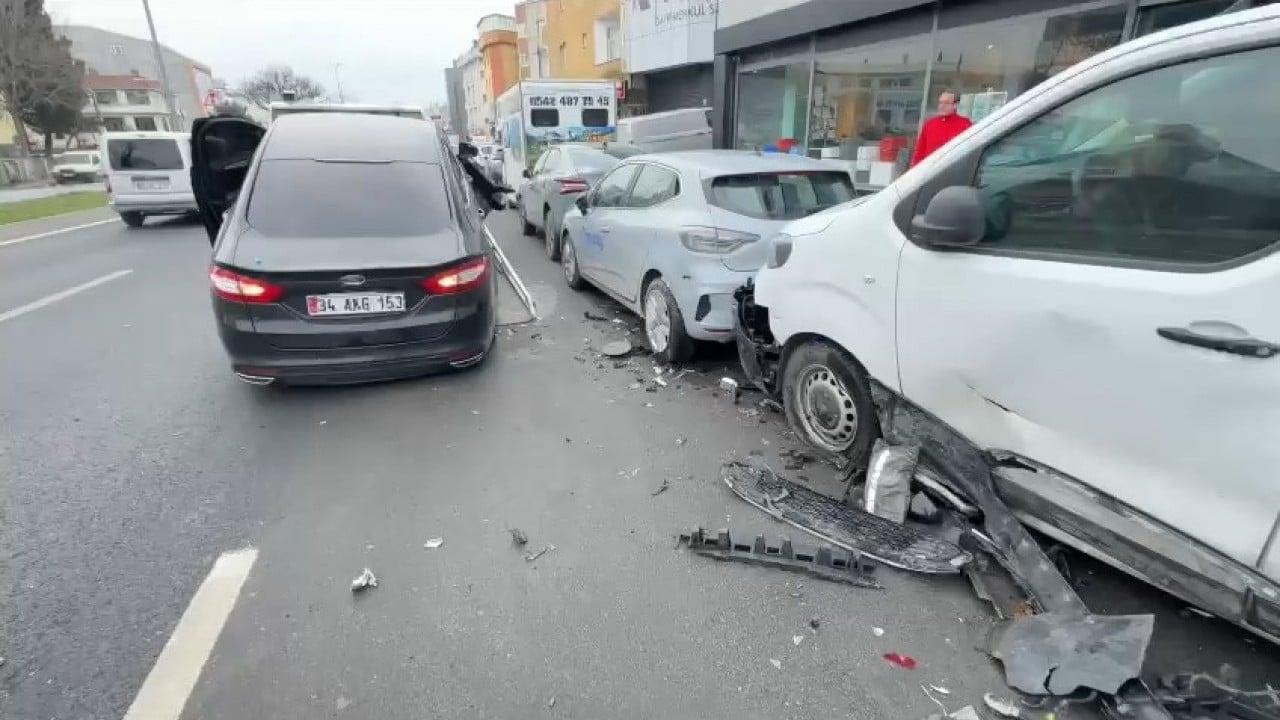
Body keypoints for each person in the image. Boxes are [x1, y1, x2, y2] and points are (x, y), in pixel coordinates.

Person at [910, 90, 973, 168]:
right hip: (930, 170)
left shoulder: (965, 125)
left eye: (946, 103)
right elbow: (919, 152)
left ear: (955, 105)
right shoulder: (929, 124)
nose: (942, 106)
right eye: (940, 103)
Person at [457, 141, 512, 212]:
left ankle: (500, 204)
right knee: (490, 193)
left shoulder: (465, 161)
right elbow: (474, 174)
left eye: (470, 156)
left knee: (490, 193)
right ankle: (500, 204)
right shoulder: (464, 161)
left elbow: (474, 174)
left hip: (481, 184)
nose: (469, 157)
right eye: (470, 156)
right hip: (481, 184)